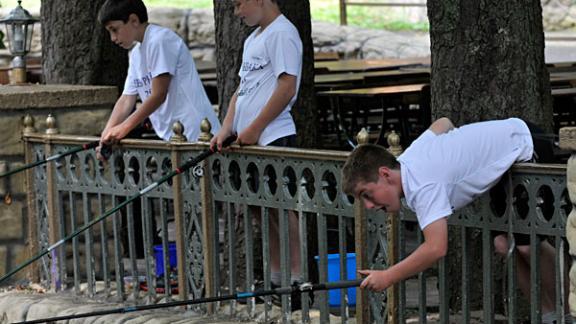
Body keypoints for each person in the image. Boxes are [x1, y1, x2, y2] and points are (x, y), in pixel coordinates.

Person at [342, 117, 562, 320]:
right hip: (506, 166)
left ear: (385, 174)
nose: (369, 206)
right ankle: (548, 316)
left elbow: (436, 248)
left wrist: (388, 276)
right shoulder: (409, 158)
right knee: (504, 245)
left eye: (367, 194)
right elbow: (443, 123)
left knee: (527, 247)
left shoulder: (424, 184)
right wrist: (460, 150)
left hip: (527, 145)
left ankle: (568, 312)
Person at [210, 0, 304, 309]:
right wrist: (227, 126)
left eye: (239, 4)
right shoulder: (253, 39)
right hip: (247, 140)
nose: (236, 12)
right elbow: (243, 87)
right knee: (260, 210)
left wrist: (256, 127)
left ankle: (296, 279)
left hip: (273, 136)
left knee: (280, 208)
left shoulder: (282, 33)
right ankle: (276, 279)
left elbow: (287, 85)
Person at [96, 0, 220, 158]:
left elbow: (158, 95)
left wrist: (124, 128)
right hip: (174, 138)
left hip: (197, 134)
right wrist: (106, 135)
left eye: (115, 29)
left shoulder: (159, 40)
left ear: (133, 20)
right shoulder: (136, 54)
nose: (113, 38)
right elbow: (126, 99)